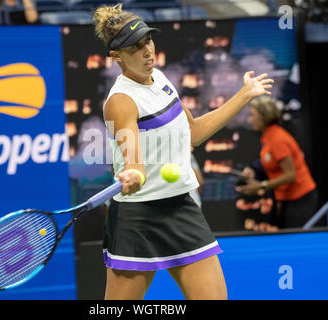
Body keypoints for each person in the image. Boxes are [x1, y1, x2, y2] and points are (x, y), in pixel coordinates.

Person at [93, 3, 273, 300]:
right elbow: (132, 159)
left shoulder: (161, 79)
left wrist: (244, 96)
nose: (147, 51)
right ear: (116, 57)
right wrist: (134, 173)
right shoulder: (120, 101)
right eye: (136, 47)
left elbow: (194, 132)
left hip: (182, 208)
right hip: (139, 218)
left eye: (148, 40)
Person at [236, 96, 318, 229]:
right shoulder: (269, 136)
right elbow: (270, 162)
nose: (250, 120)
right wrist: (252, 170)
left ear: (264, 116)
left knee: (295, 243)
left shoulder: (277, 139)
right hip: (287, 199)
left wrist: (261, 185)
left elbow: (291, 175)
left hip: (300, 199)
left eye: (253, 115)